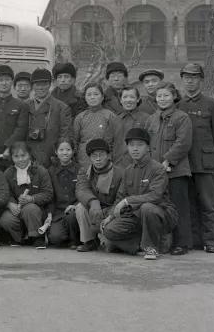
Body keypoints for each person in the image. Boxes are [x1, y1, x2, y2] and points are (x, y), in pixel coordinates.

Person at [101, 128, 178, 260]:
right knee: (108, 230)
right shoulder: (128, 170)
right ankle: (140, 245)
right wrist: (111, 215)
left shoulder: (157, 168)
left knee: (147, 207)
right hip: (136, 216)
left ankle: (152, 248)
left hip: (161, 213)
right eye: (131, 145)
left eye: (139, 145)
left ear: (148, 147)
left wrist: (128, 201)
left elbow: (155, 196)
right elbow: (120, 197)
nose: (135, 149)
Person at [177, 63, 214, 253]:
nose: (190, 81)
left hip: (204, 163)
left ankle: (211, 241)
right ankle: (195, 240)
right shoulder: (179, 105)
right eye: (186, 77)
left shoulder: (213, 105)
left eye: (194, 77)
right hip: (185, 163)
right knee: (189, 203)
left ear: (201, 80)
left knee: (208, 203)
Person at [145, 82, 192, 256]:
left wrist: (168, 161)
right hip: (156, 172)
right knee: (159, 206)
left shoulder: (181, 118)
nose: (162, 99)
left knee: (179, 206)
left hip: (177, 171)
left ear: (174, 97)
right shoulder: (152, 118)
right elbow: (147, 143)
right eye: (159, 96)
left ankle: (182, 243)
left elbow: (183, 143)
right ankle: (160, 242)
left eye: (166, 95)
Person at [0, 141, 53, 248]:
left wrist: (32, 198)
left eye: (23, 155)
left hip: (37, 211)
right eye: (16, 156)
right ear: (12, 158)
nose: (20, 159)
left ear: (29, 154)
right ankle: (19, 237)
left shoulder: (41, 171)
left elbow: (48, 193)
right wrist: (10, 204)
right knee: (5, 219)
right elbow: (4, 193)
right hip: (16, 209)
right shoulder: (8, 173)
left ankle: (37, 237)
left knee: (30, 209)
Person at [74, 138, 124, 252]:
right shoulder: (85, 171)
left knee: (109, 247)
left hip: (112, 211)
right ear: (90, 158)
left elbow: (121, 197)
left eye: (101, 155)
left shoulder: (120, 173)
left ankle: (104, 238)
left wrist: (110, 214)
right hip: (94, 210)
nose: (97, 159)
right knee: (80, 208)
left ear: (108, 155)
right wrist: (93, 202)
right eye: (94, 156)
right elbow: (81, 189)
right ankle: (89, 241)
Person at [26, 68, 72, 168]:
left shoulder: (61, 108)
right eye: (37, 84)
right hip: (27, 159)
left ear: (50, 85)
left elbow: (64, 136)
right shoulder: (24, 106)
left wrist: (57, 156)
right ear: (32, 86)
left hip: (51, 159)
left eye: (44, 84)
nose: (41, 87)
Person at [73, 81, 122, 169]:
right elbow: (75, 141)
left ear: (102, 97)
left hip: (105, 160)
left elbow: (117, 142)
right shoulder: (80, 117)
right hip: (84, 160)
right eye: (89, 95)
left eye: (96, 94)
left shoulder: (110, 116)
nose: (92, 97)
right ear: (84, 97)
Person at [46, 138, 80, 248]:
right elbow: (49, 195)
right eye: (61, 150)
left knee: (72, 216)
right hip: (58, 212)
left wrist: (75, 205)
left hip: (75, 210)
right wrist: (50, 213)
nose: (65, 153)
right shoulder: (51, 171)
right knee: (55, 238)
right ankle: (65, 236)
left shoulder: (80, 169)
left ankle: (75, 240)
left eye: (68, 149)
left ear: (73, 151)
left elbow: (84, 191)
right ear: (56, 152)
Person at [115, 86, 150, 165]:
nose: (128, 100)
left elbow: (151, 144)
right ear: (120, 100)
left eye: (132, 97)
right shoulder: (115, 119)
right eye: (125, 97)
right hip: (118, 165)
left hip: (140, 164)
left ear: (138, 99)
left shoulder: (147, 118)